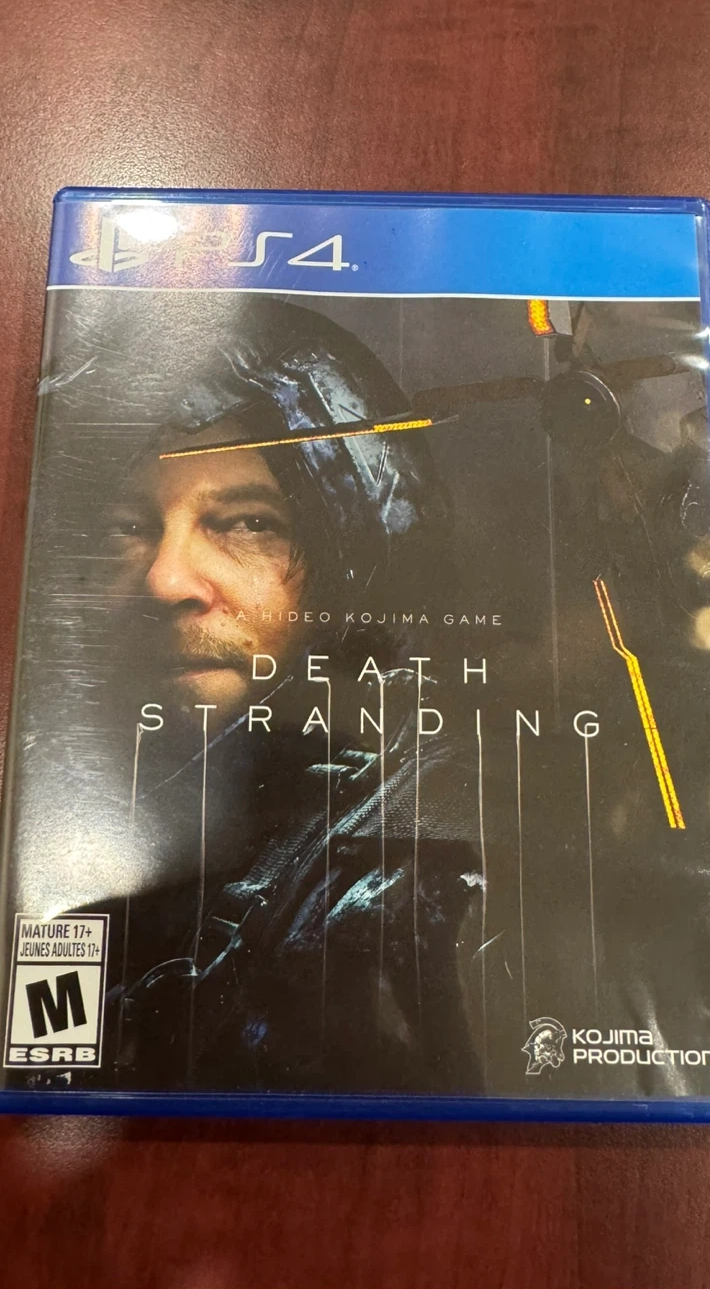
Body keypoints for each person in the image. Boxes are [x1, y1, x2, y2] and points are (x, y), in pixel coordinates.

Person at [70, 300, 485, 1095]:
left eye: (247, 523)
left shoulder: (424, 890)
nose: (164, 579)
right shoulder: (80, 830)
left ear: (352, 558)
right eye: (125, 527)